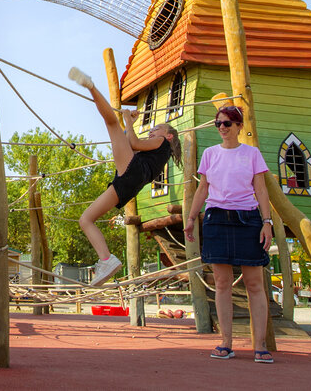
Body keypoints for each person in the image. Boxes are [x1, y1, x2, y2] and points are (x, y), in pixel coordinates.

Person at [183, 102, 274, 364]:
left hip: (248, 218)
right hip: (216, 218)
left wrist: (266, 222)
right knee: (222, 284)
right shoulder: (210, 154)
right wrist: (191, 218)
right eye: (218, 123)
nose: (222, 128)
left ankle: (260, 345)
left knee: (254, 283)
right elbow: (202, 189)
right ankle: (226, 342)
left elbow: (261, 189)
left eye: (227, 123)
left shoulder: (252, 153)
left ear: (239, 126)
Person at [74, 71, 179, 287]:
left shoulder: (163, 144)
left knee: (113, 124)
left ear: (168, 135)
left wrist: (127, 121)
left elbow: (133, 143)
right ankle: (106, 259)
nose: (153, 131)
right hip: (128, 182)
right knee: (85, 219)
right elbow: (129, 142)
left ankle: (91, 86)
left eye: (157, 129)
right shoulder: (157, 150)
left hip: (133, 174)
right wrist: (128, 123)